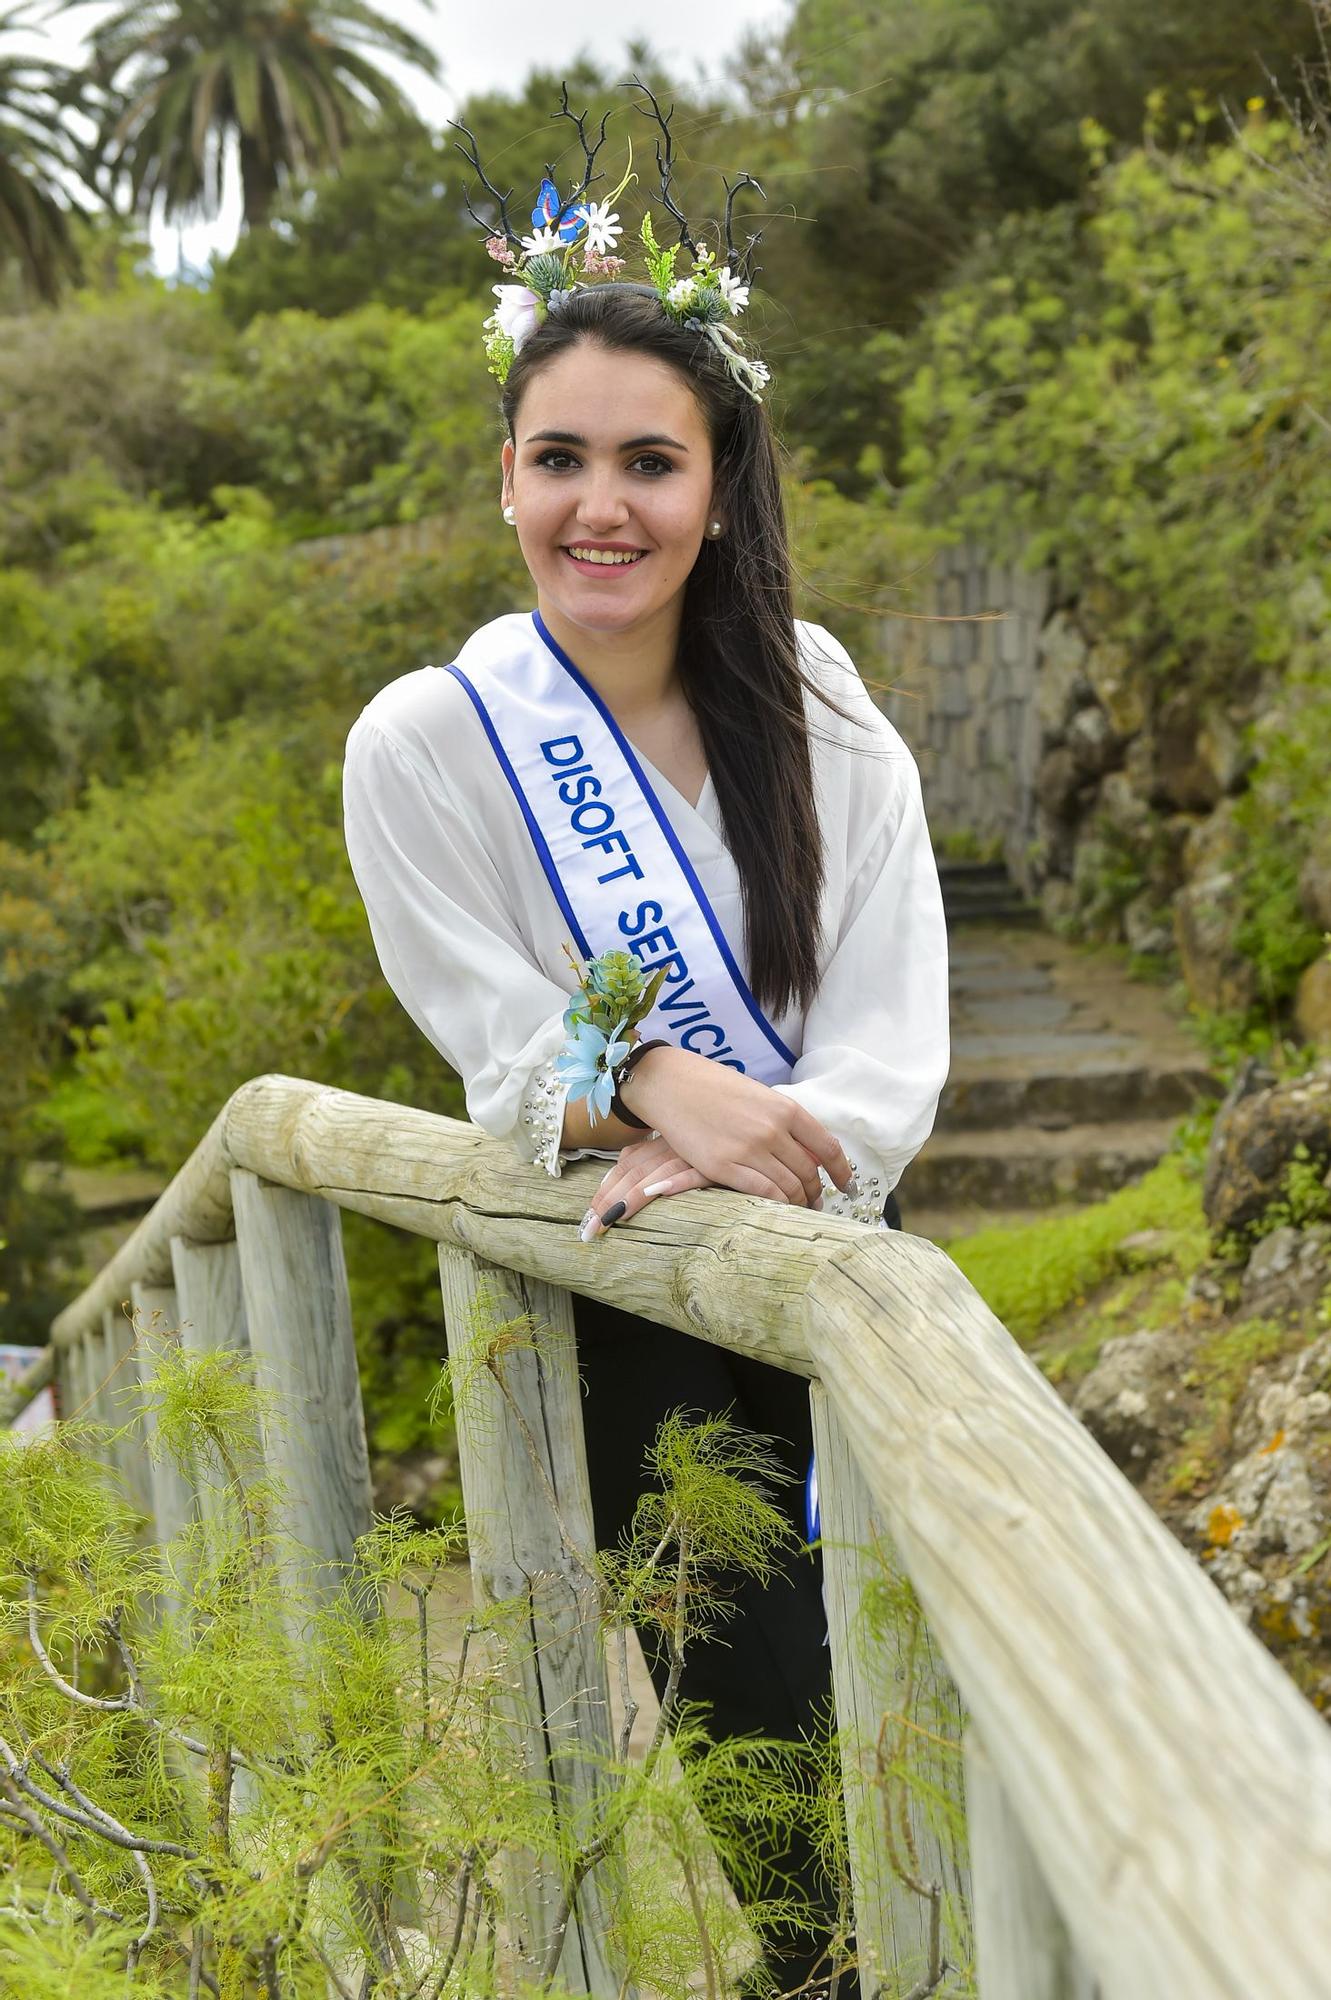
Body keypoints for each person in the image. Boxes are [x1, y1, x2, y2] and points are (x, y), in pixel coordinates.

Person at [341, 98, 950, 1998]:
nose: (602, 505)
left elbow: (890, 997)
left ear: (719, 478)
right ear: (505, 478)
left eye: (650, 462)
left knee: (932, 1679)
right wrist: (659, 1090)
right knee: (759, 1714)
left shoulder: (818, 705)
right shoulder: (427, 742)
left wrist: (781, 1130)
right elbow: (487, 1009)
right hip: (632, 1287)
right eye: (561, 459)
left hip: (835, 1237)